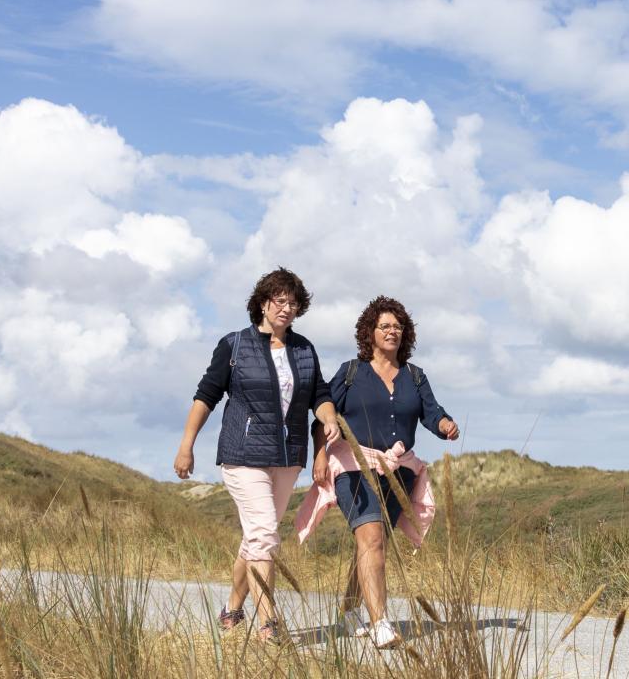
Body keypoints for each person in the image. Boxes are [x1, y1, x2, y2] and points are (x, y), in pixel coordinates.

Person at [173, 267, 330, 643]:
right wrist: (186, 445)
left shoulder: (304, 349)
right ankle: (269, 622)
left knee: (258, 538)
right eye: (280, 301)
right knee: (264, 534)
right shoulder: (235, 345)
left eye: (293, 303)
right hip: (242, 454)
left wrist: (328, 419)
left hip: (288, 456)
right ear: (263, 303)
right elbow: (206, 395)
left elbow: (319, 396)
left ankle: (231, 608)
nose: (287, 309)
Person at [297, 296, 458, 649]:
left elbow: (431, 413)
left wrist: (444, 423)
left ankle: (351, 608)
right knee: (370, 538)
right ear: (369, 332)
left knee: (375, 543)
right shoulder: (351, 373)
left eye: (398, 327)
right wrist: (320, 455)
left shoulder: (415, 377)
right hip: (354, 466)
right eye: (385, 326)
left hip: (399, 471)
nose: (392, 332)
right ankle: (380, 622)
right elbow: (323, 418)